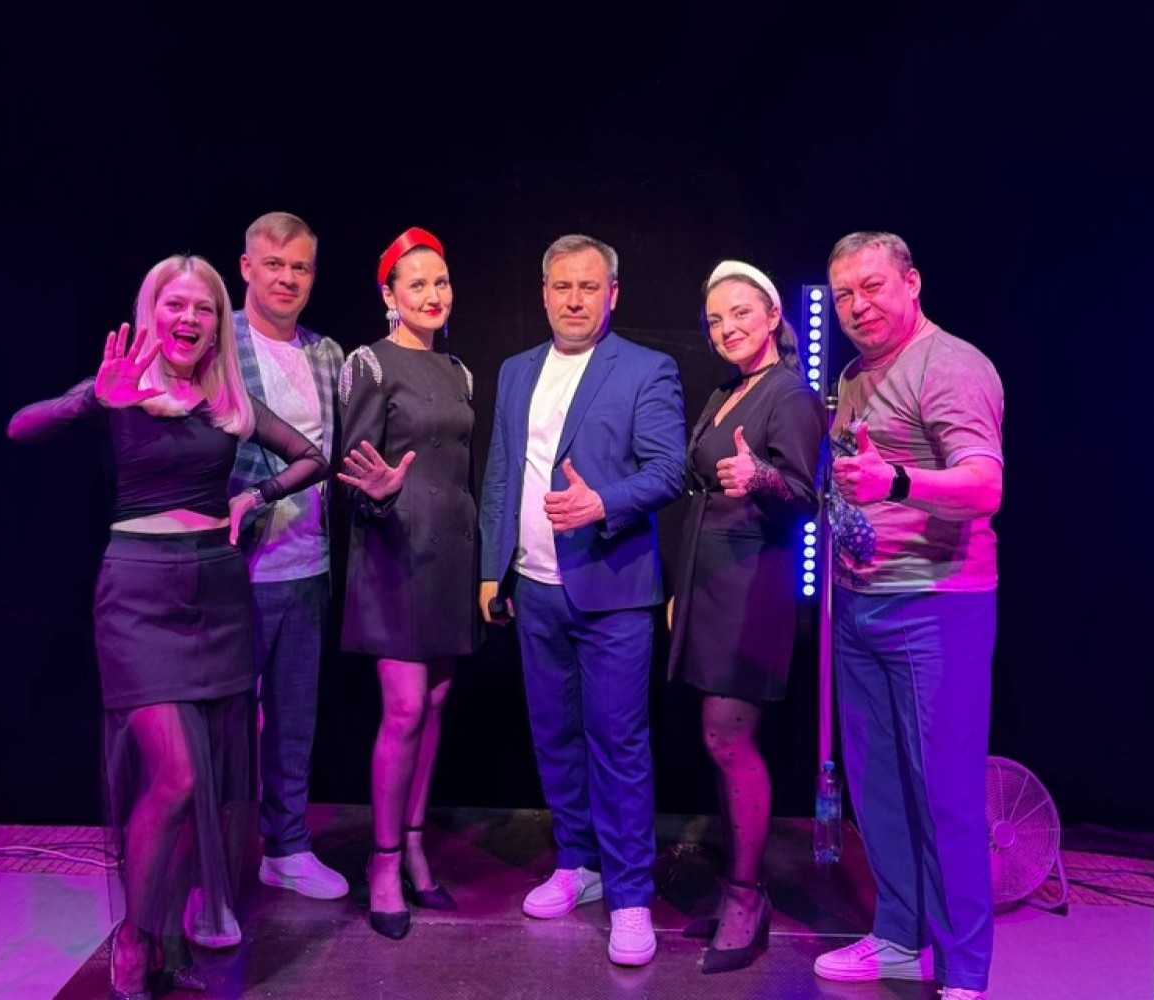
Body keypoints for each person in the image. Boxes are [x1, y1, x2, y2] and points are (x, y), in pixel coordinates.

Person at [7, 255, 328, 999]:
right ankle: (134, 935)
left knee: (204, 786)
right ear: (151, 313)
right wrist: (92, 400)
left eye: (204, 308)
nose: (189, 318)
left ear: (218, 326)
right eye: (175, 304)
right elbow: (20, 427)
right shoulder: (121, 389)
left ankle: (166, 934)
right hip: (140, 597)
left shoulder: (227, 402)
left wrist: (254, 498)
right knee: (177, 776)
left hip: (218, 593)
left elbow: (312, 457)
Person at [478, 233, 686, 967]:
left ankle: (630, 896)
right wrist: (492, 568)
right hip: (534, 588)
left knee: (618, 744)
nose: (574, 300)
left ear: (612, 294)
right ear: (544, 293)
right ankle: (578, 862)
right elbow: (501, 471)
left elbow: (670, 470)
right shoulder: (515, 371)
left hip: (613, 591)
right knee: (555, 737)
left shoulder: (647, 369)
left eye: (588, 287)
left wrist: (603, 503)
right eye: (562, 286)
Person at [812, 232, 1004, 1000]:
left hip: (936, 606)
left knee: (944, 792)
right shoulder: (855, 375)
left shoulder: (949, 365)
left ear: (912, 283)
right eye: (844, 295)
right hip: (861, 601)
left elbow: (984, 486)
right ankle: (898, 937)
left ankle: (964, 971)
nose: (857, 306)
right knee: (879, 787)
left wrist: (895, 482)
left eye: (871, 287)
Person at [667, 260, 826, 973]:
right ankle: (738, 886)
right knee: (716, 741)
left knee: (729, 741)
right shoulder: (728, 391)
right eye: (715, 319)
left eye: (739, 313)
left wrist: (761, 476)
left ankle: (744, 895)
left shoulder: (789, 394)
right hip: (710, 585)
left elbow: (804, 496)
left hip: (751, 585)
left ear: (771, 316)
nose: (726, 327)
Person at [338, 227, 478, 939]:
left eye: (440, 282)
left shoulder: (459, 370)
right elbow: (354, 471)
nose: (432, 294)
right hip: (394, 549)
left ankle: (417, 845)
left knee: (437, 703)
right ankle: (384, 861)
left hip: (450, 552)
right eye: (416, 283)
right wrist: (378, 495)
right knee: (403, 708)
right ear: (389, 295)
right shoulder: (369, 363)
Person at [220, 212, 348, 931]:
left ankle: (287, 848)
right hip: (233, 566)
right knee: (225, 727)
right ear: (246, 268)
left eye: (299, 267)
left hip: (308, 564)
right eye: (273, 264)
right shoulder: (220, 344)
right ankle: (215, 867)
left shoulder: (326, 353)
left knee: (294, 719)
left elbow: (335, 449)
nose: (287, 278)